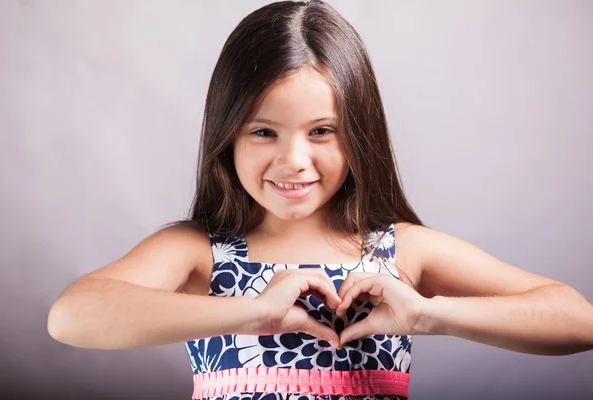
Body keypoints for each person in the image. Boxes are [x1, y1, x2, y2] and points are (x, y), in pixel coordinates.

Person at [47, 1, 593, 399]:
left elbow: (577, 321)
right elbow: (72, 317)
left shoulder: (399, 250)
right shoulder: (199, 252)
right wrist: (253, 311)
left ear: (361, 134)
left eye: (322, 131)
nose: (293, 161)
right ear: (226, 137)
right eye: (263, 132)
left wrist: (430, 315)